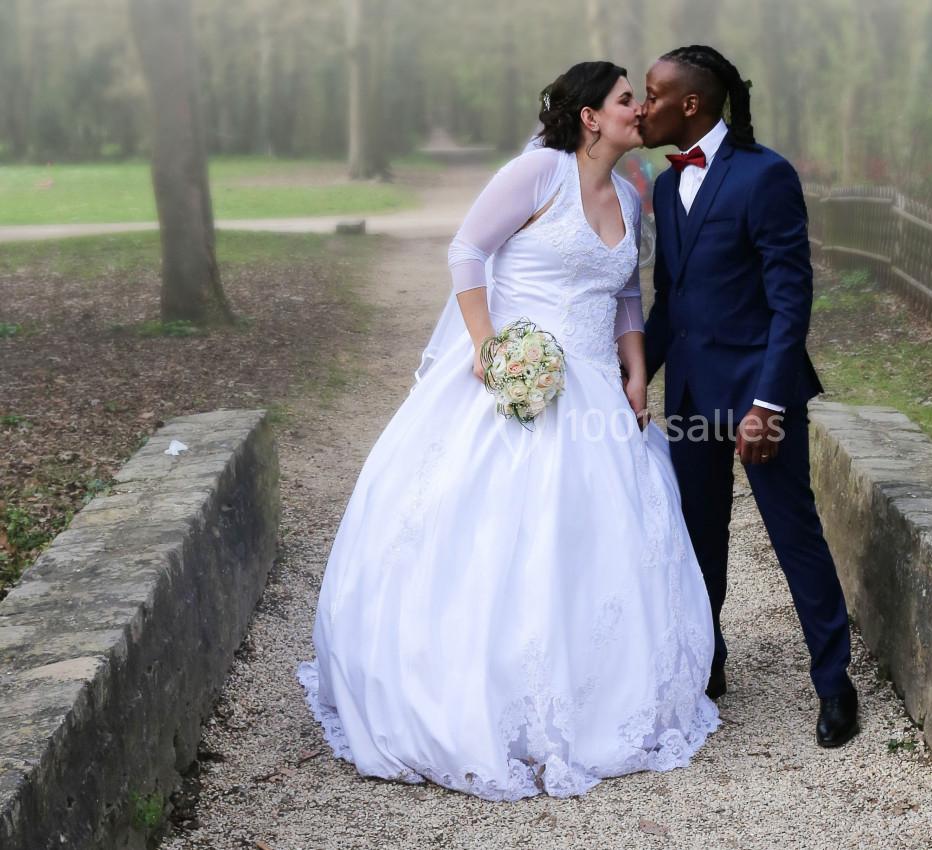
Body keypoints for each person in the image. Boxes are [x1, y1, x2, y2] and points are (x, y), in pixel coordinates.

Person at [296, 61, 720, 802]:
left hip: (596, 393)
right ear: (590, 115)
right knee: (501, 535)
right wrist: (490, 348)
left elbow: (624, 290)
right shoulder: (537, 174)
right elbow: (466, 251)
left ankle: (602, 694)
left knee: (602, 542)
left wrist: (633, 369)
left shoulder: (628, 194)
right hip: (518, 380)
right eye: (627, 100)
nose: (638, 111)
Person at [638, 45, 860, 748]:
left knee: (795, 538)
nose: (642, 107)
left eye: (652, 93)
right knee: (698, 539)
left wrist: (768, 403)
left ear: (691, 104)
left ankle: (835, 685)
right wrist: (636, 374)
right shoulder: (665, 189)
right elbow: (671, 300)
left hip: (761, 399)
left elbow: (790, 301)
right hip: (693, 398)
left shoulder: (765, 176)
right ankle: (709, 662)